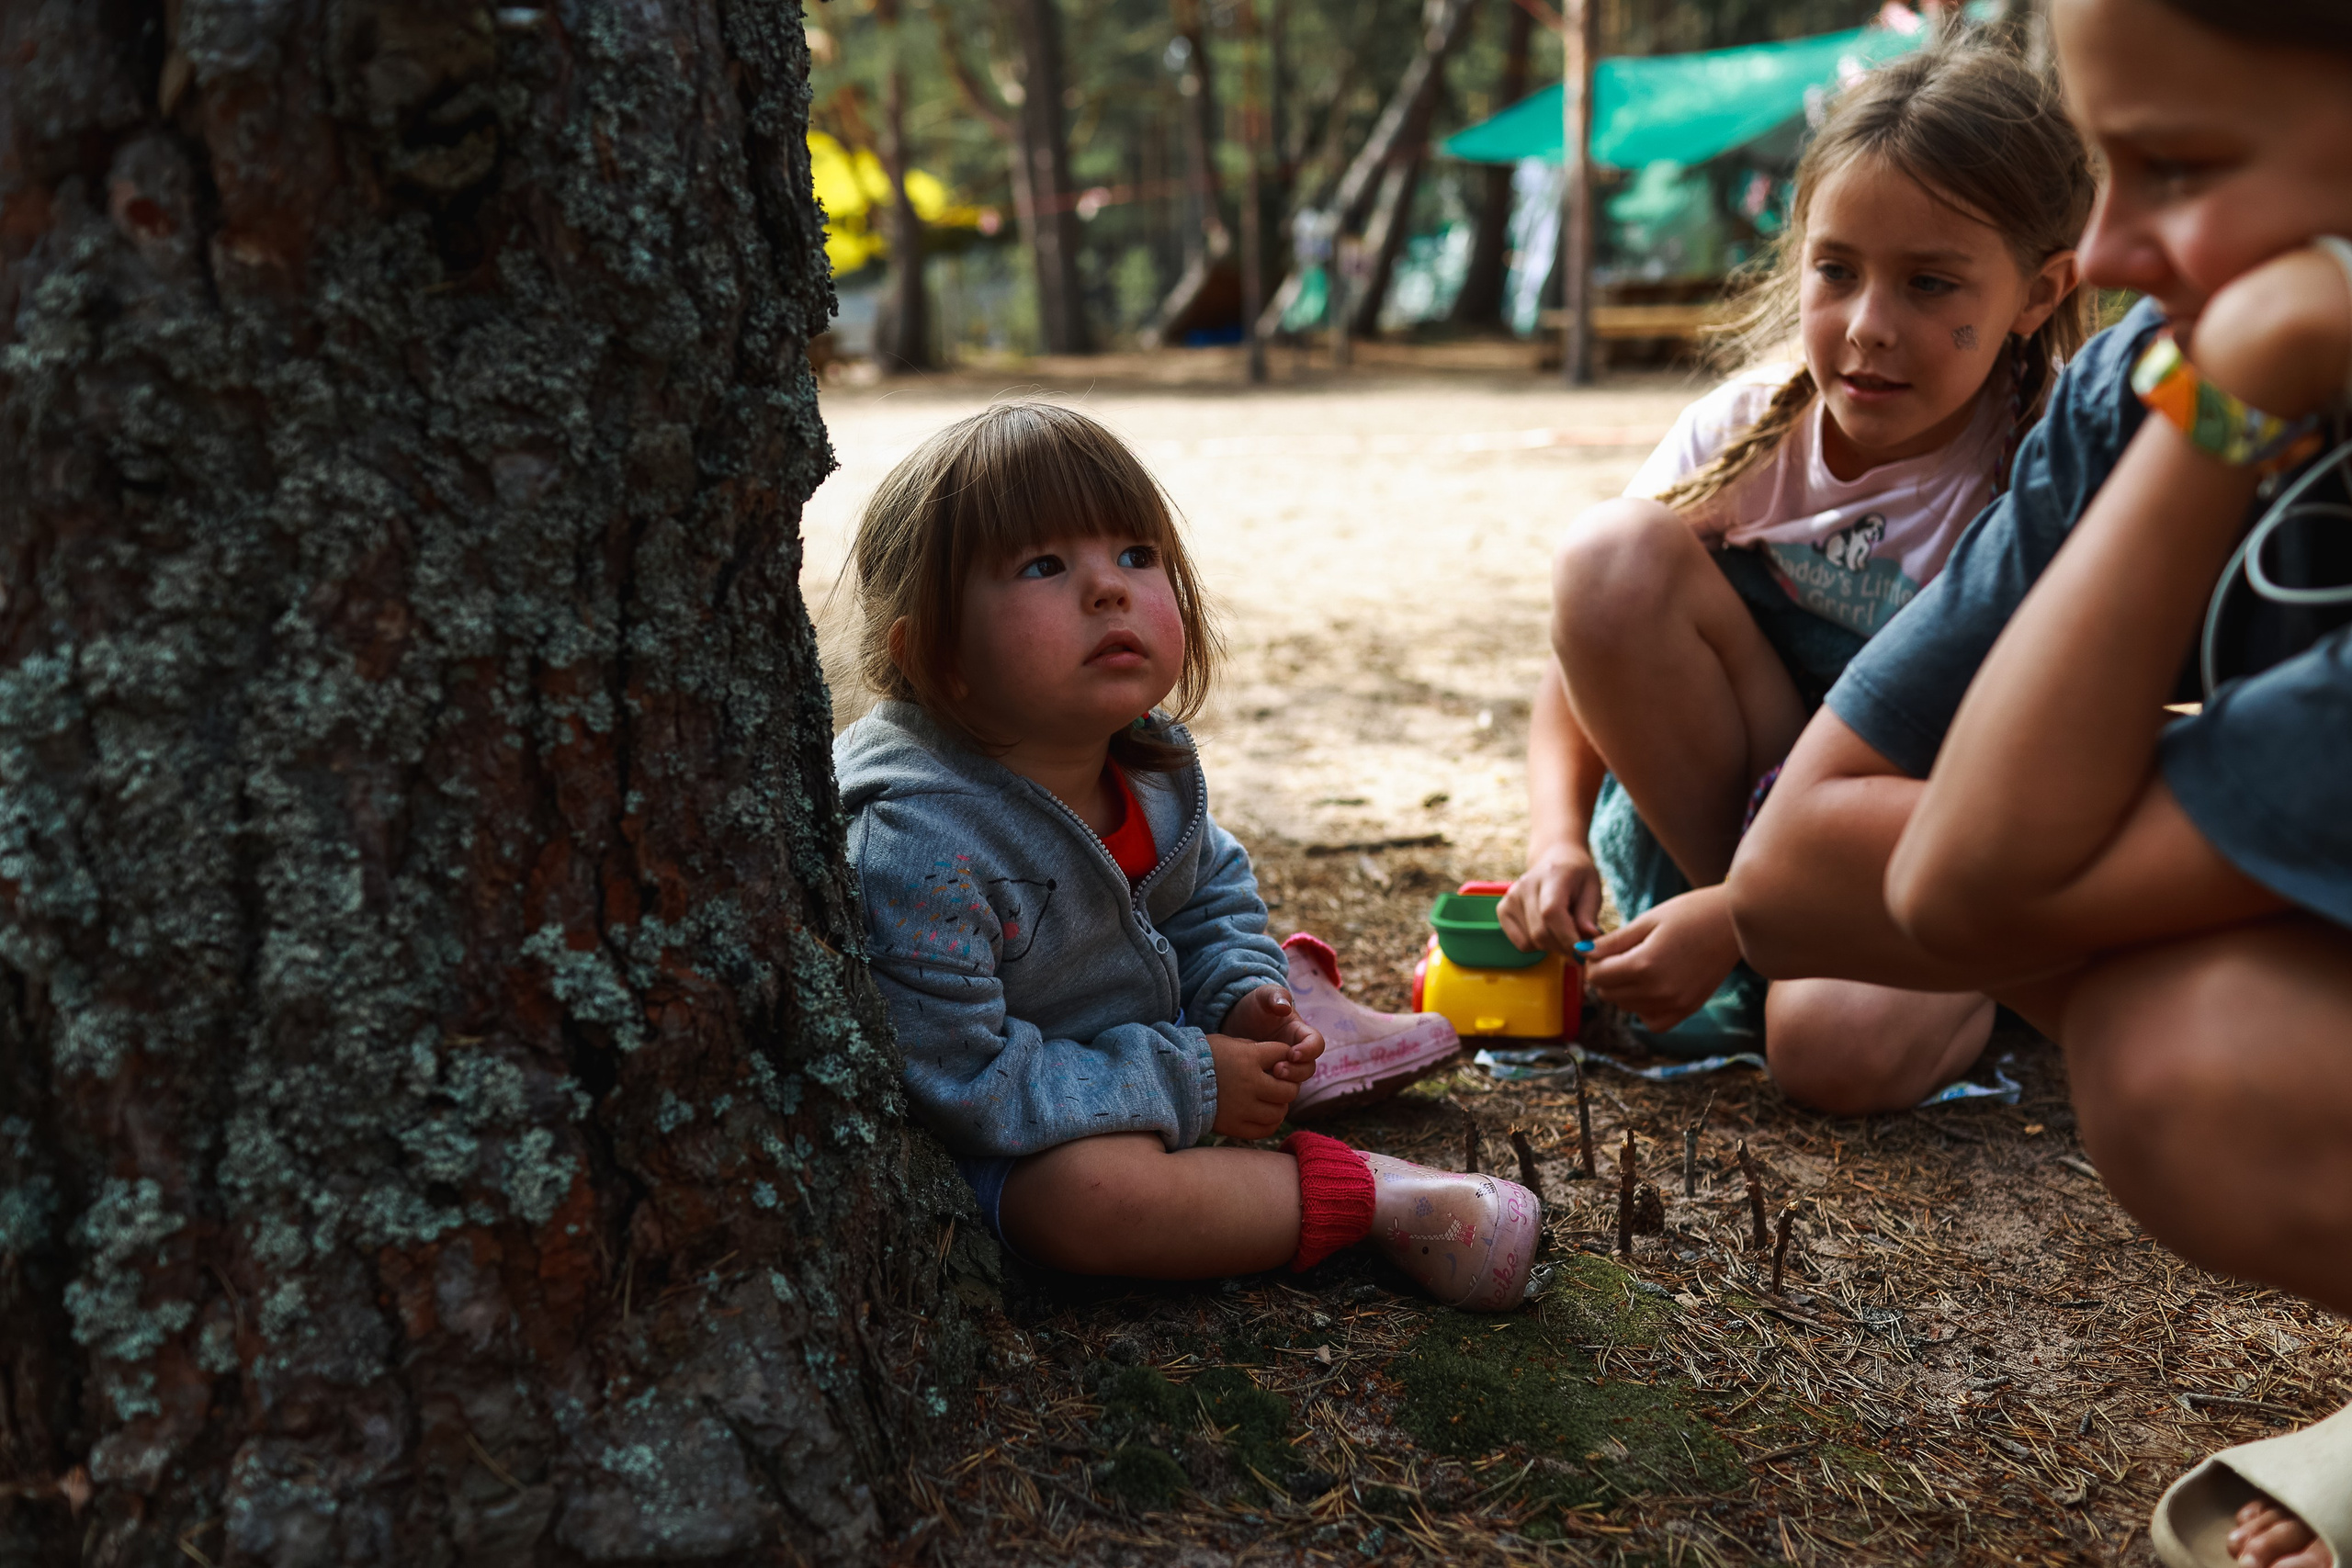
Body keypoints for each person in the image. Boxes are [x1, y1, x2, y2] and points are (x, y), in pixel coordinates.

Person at [1726, 2, 2352, 1562]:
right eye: (2100, 165)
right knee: (2187, 1015)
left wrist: (2221, 426)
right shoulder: (2136, 372)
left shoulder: (2194, 384)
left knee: (2191, 1059)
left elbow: (1955, 882)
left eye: (2182, 165)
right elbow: (1800, 861)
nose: (2117, 246)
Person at [832, 401, 1536, 1309]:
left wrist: (1238, 996)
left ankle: (1296, 1039)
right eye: (1043, 566)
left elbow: (1209, 898)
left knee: (1243, 1013)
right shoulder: (919, 841)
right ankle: (1378, 1197)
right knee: (1088, 1201)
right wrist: (1195, 1079)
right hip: (1019, 1138)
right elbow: (961, 1081)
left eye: (1135, 554)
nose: (1107, 590)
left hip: (1153, 1065)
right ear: (934, 654)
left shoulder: (1145, 758)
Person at [1499, 43, 2091, 1111]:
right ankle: (1745, 959)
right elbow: (1578, 661)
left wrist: (1738, 917)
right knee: (1608, 555)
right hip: (1733, 824)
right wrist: (1553, 842)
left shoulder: (2046, 483)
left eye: (1929, 283)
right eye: (1837, 270)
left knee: (1835, 1050)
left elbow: (2013, 791)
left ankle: (1787, 968)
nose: (1868, 324)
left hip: (1923, 856)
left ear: (2037, 293)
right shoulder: (1749, 430)